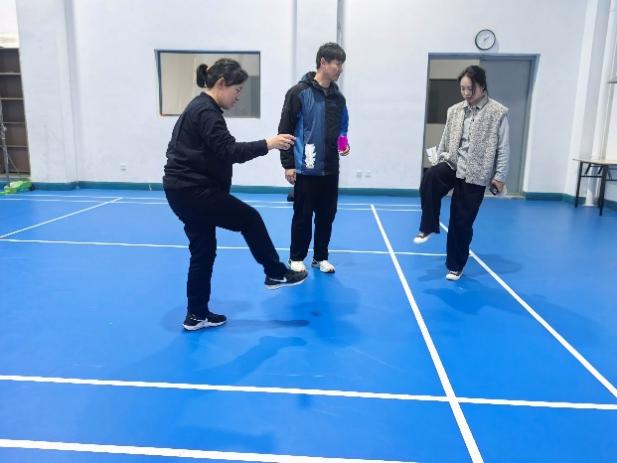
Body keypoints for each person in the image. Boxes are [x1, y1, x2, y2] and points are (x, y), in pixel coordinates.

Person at [164, 59, 308, 331]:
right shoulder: (206, 111)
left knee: (203, 251)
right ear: (221, 84)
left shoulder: (200, 108)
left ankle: (196, 314)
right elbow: (229, 151)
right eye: (237, 89)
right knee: (249, 219)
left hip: (182, 192)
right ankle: (275, 273)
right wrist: (268, 143)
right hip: (193, 192)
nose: (238, 96)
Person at [414, 65, 510, 281]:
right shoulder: (455, 111)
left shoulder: (498, 113)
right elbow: (445, 138)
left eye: (470, 89)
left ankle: (456, 265)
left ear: (482, 87)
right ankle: (428, 226)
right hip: (453, 164)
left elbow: (503, 148)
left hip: (476, 173)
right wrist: (438, 159)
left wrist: (499, 177)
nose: (466, 93)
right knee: (430, 177)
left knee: (461, 222)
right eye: (463, 89)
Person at [278, 42, 350, 274]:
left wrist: (343, 145)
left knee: (327, 215)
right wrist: (288, 164)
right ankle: (296, 257)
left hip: (330, 167)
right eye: (337, 64)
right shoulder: (298, 93)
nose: (340, 69)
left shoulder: (339, 99)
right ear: (323, 62)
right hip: (305, 165)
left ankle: (320, 257)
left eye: (341, 64)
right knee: (303, 215)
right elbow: (285, 130)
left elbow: (343, 128)